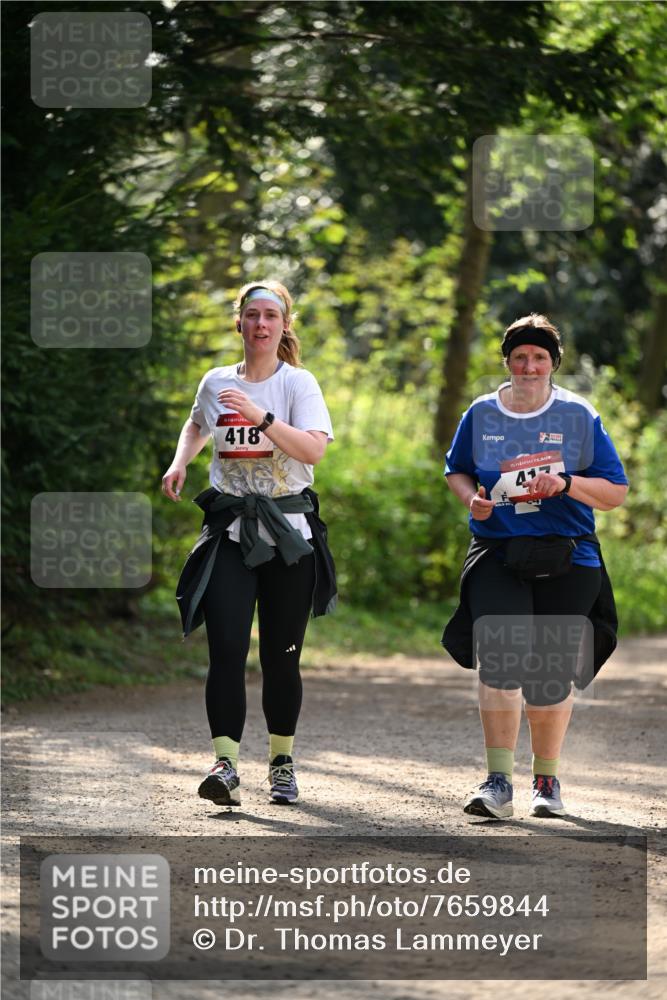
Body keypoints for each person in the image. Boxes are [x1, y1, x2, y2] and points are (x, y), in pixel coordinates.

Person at [442, 314, 628, 819]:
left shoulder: (577, 415)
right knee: (500, 657)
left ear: (553, 363)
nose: (529, 366)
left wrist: (566, 483)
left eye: (539, 357)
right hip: (498, 550)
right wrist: (472, 500)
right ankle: (498, 781)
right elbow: (456, 471)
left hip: (568, 554)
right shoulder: (481, 413)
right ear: (507, 361)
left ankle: (546, 782)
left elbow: (615, 492)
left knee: (548, 672)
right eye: (520, 356)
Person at [162, 281, 336, 808]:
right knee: (226, 652)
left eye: (271, 316)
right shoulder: (216, 381)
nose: (261, 324)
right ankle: (225, 765)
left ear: (284, 325)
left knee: (282, 658)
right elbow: (198, 423)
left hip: (288, 536)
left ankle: (281, 764)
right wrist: (181, 460)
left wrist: (261, 416)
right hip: (230, 533)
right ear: (238, 322)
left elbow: (313, 451)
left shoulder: (298, 384)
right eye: (252, 315)